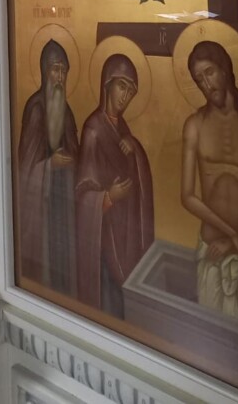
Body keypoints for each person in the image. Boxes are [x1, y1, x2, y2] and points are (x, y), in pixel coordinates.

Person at [182, 40, 238, 330]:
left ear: (225, 69)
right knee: (212, 340)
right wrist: (235, 238)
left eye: (209, 73)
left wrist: (236, 242)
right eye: (199, 79)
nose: (206, 84)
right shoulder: (194, 126)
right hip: (212, 254)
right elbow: (187, 196)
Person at [76, 54, 154, 317]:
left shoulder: (122, 129)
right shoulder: (93, 129)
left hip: (125, 234)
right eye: (122, 86)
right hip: (104, 236)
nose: (125, 97)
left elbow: (135, 171)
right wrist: (109, 197)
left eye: (131, 91)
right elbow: (82, 191)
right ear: (107, 84)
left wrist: (135, 147)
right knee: (111, 302)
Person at [18, 39, 79, 295]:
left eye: (64, 71)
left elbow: (75, 150)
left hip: (62, 198)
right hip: (42, 199)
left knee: (62, 255)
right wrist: (49, 165)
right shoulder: (36, 109)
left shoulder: (67, 111)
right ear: (45, 71)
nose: (60, 77)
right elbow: (25, 167)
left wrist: (72, 160)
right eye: (56, 70)